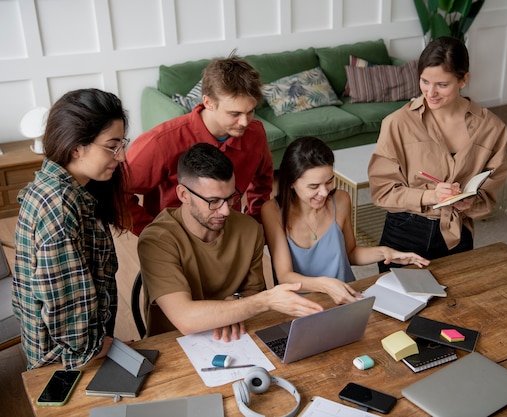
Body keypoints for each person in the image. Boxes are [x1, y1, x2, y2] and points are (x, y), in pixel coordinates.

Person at [137, 143, 323, 341]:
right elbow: (186, 319)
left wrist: (237, 301)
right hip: (175, 346)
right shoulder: (156, 240)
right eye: (214, 201)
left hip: (238, 336)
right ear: (183, 195)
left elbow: (252, 289)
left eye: (231, 197)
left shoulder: (249, 229)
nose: (226, 210)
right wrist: (267, 300)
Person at [12, 89, 132, 370]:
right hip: (68, 359)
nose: (122, 156)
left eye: (122, 143)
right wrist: (88, 348)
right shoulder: (59, 203)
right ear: (77, 147)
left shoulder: (63, 186)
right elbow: (62, 298)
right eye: (112, 145)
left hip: (73, 346)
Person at [368, 36, 507, 273]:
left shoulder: (491, 129)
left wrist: (469, 201)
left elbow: (489, 192)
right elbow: (382, 191)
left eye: (442, 85)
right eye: (424, 81)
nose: (430, 93)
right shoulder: (398, 123)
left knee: (457, 305)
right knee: (397, 306)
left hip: (457, 233)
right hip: (405, 231)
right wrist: (431, 196)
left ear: (464, 79)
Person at [261, 137, 430, 306]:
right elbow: (284, 276)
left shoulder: (341, 199)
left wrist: (387, 252)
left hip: (347, 298)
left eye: (329, 182)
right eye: (314, 186)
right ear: (291, 182)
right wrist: (326, 285)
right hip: (301, 306)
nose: (324, 192)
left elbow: (350, 254)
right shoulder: (272, 211)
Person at [126, 53, 274, 235]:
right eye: (234, 114)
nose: (244, 122)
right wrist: (155, 235)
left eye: (250, 111)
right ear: (208, 103)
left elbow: (264, 180)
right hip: (175, 241)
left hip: (228, 234)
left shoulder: (255, 133)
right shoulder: (161, 142)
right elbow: (116, 196)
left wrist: (254, 221)